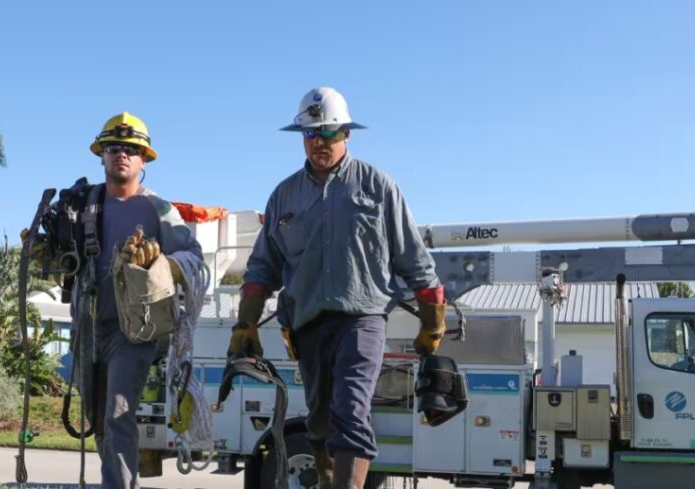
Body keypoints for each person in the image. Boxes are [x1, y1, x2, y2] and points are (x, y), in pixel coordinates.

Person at [228, 87, 447, 488]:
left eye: (328, 133)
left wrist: (432, 322)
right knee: (320, 421)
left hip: (363, 318)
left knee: (350, 409)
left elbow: (415, 258)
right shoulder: (284, 196)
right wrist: (246, 324)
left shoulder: (378, 188)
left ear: (347, 134)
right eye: (310, 134)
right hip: (308, 322)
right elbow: (262, 268)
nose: (318, 143)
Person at [70, 112, 203, 488]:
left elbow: (193, 256)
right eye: (114, 147)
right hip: (88, 327)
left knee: (118, 413)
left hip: (136, 332)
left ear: (144, 159)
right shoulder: (82, 205)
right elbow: (62, 255)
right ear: (102, 156)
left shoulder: (159, 210)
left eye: (131, 149)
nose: (122, 155)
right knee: (98, 418)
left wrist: (161, 264)